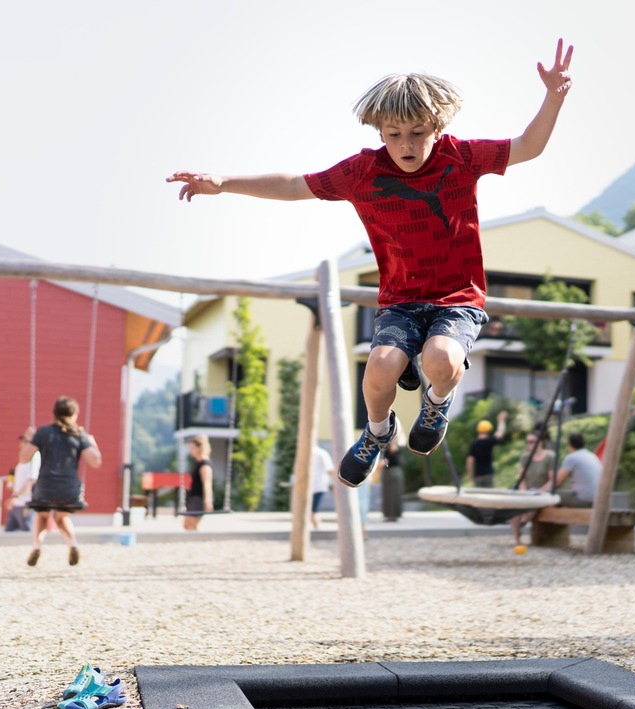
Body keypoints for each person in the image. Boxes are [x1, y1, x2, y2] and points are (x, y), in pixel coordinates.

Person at [167, 39, 574, 489]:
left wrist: (553, 97)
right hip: (400, 300)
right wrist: (223, 182)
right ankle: (378, 432)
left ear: (438, 126)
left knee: (440, 356)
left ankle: (436, 403)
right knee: (381, 365)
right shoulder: (363, 173)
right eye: (394, 134)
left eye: (418, 132)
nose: (407, 144)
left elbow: (527, 147)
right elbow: (293, 186)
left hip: (456, 298)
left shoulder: (461, 157)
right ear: (379, 131)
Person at [23, 396, 102, 567]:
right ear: (74, 415)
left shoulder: (43, 432)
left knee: (42, 515)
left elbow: (23, 458)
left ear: (54, 414)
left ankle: (36, 545)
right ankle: (73, 544)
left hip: (45, 487)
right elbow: (96, 462)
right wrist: (92, 443)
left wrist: (30, 439)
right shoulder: (79, 434)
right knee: (61, 516)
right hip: (69, 490)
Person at [510, 428, 557, 546]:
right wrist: (523, 491)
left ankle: (524, 522)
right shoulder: (526, 457)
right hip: (528, 490)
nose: (529, 444)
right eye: (528, 441)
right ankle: (516, 537)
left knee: (535, 498)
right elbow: (521, 478)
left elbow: (552, 480)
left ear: (540, 442)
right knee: (513, 503)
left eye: (532, 441)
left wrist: (541, 491)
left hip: (542, 490)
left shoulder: (550, 457)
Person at [544, 431, 602, 508]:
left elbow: (557, 482)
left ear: (569, 445)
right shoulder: (592, 455)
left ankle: (548, 519)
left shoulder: (572, 457)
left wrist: (541, 491)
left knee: (550, 496)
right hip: (598, 499)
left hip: (585, 500)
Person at [4, 433, 40, 532]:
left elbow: (31, 481)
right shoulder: (21, 461)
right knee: (8, 534)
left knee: (27, 533)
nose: (22, 444)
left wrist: (14, 496)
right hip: (16, 504)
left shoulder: (35, 457)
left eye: (25, 441)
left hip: (27, 503)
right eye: (22, 441)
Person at [466, 410, 508, 488]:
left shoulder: (474, 444)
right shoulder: (489, 442)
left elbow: (470, 461)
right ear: (489, 430)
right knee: (487, 496)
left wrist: (470, 475)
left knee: (478, 498)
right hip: (488, 474)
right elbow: (500, 433)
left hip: (477, 474)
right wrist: (501, 420)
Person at [182, 435, 214, 531]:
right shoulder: (197, 462)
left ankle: (199, 542)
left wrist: (208, 501)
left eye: (192, 448)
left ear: (199, 448)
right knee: (187, 525)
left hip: (199, 499)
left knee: (190, 525)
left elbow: (207, 483)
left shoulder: (205, 464)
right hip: (193, 498)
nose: (190, 450)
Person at [381, 433, 405, 522]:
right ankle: (391, 515)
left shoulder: (394, 445)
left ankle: (392, 515)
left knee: (392, 493)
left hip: (392, 472)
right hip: (391, 472)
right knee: (390, 493)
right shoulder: (389, 445)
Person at [309, 444, 334, 530]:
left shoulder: (309, 452)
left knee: (312, 510)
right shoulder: (322, 453)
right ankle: (317, 528)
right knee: (315, 510)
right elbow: (330, 469)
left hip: (312, 485)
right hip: (319, 485)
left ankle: (316, 527)